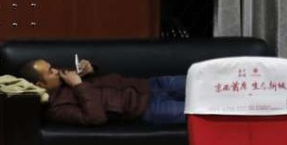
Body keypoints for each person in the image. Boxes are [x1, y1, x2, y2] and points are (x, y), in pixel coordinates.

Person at [18, 58, 187, 126]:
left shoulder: (64, 77)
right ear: (40, 85)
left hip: (150, 84)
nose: (55, 70)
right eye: (50, 72)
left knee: (206, 82)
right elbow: (96, 117)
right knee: (204, 110)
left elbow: (103, 83)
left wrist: (90, 69)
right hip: (147, 107)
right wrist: (78, 85)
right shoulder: (55, 109)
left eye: (51, 67)